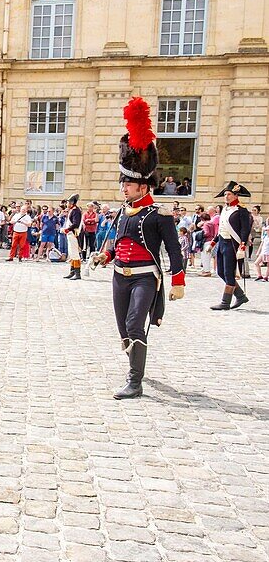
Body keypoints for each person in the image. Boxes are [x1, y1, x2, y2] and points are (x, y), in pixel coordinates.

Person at [91, 98, 184, 400]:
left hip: (146, 277)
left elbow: (173, 248)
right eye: (123, 184)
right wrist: (105, 255)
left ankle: (135, 381)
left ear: (143, 186)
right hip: (120, 276)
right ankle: (136, 366)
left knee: (134, 322)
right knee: (123, 327)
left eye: (128, 185)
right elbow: (119, 244)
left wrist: (179, 279)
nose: (124, 188)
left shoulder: (159, 214)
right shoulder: (122, 211)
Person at [210, 181, 253, 310]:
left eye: (229, 194)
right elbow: (222, 227)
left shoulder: (241, 210)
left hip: (232, 244)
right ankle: (240, 295)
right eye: (225, 194)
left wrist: (242, 246)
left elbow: (245, 229)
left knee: (229, 273)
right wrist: (214, 241)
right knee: (221, 272)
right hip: (222, 243)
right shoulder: (225, 209)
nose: (226, 196)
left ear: (236, 196)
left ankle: (225, 302)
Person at [63, 194, 84, 280]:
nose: (67, 204)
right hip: (71, 234)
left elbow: (76, 223)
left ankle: (77, 273)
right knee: (72, 253)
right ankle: (72, 271)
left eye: (68, 202)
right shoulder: (73, 210)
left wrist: (67, 229)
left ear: (71, 203)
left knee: (75, 254)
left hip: (74, 234)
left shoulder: (76, 211)